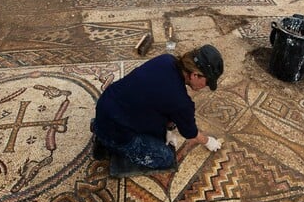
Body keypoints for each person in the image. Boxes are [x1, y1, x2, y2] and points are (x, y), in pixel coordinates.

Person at [92, 44, 224, 170]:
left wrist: (169, 128)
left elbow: (157, 98)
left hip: (105, 106)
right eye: (207, 82)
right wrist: (208, 142)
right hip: (116, 130)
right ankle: (109, 144)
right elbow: (191, 133)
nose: (206, 86)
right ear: (195, 75)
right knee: (165, 158)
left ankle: (99, 128)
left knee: (157, 130)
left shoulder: (166, 60)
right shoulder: (181, 103)